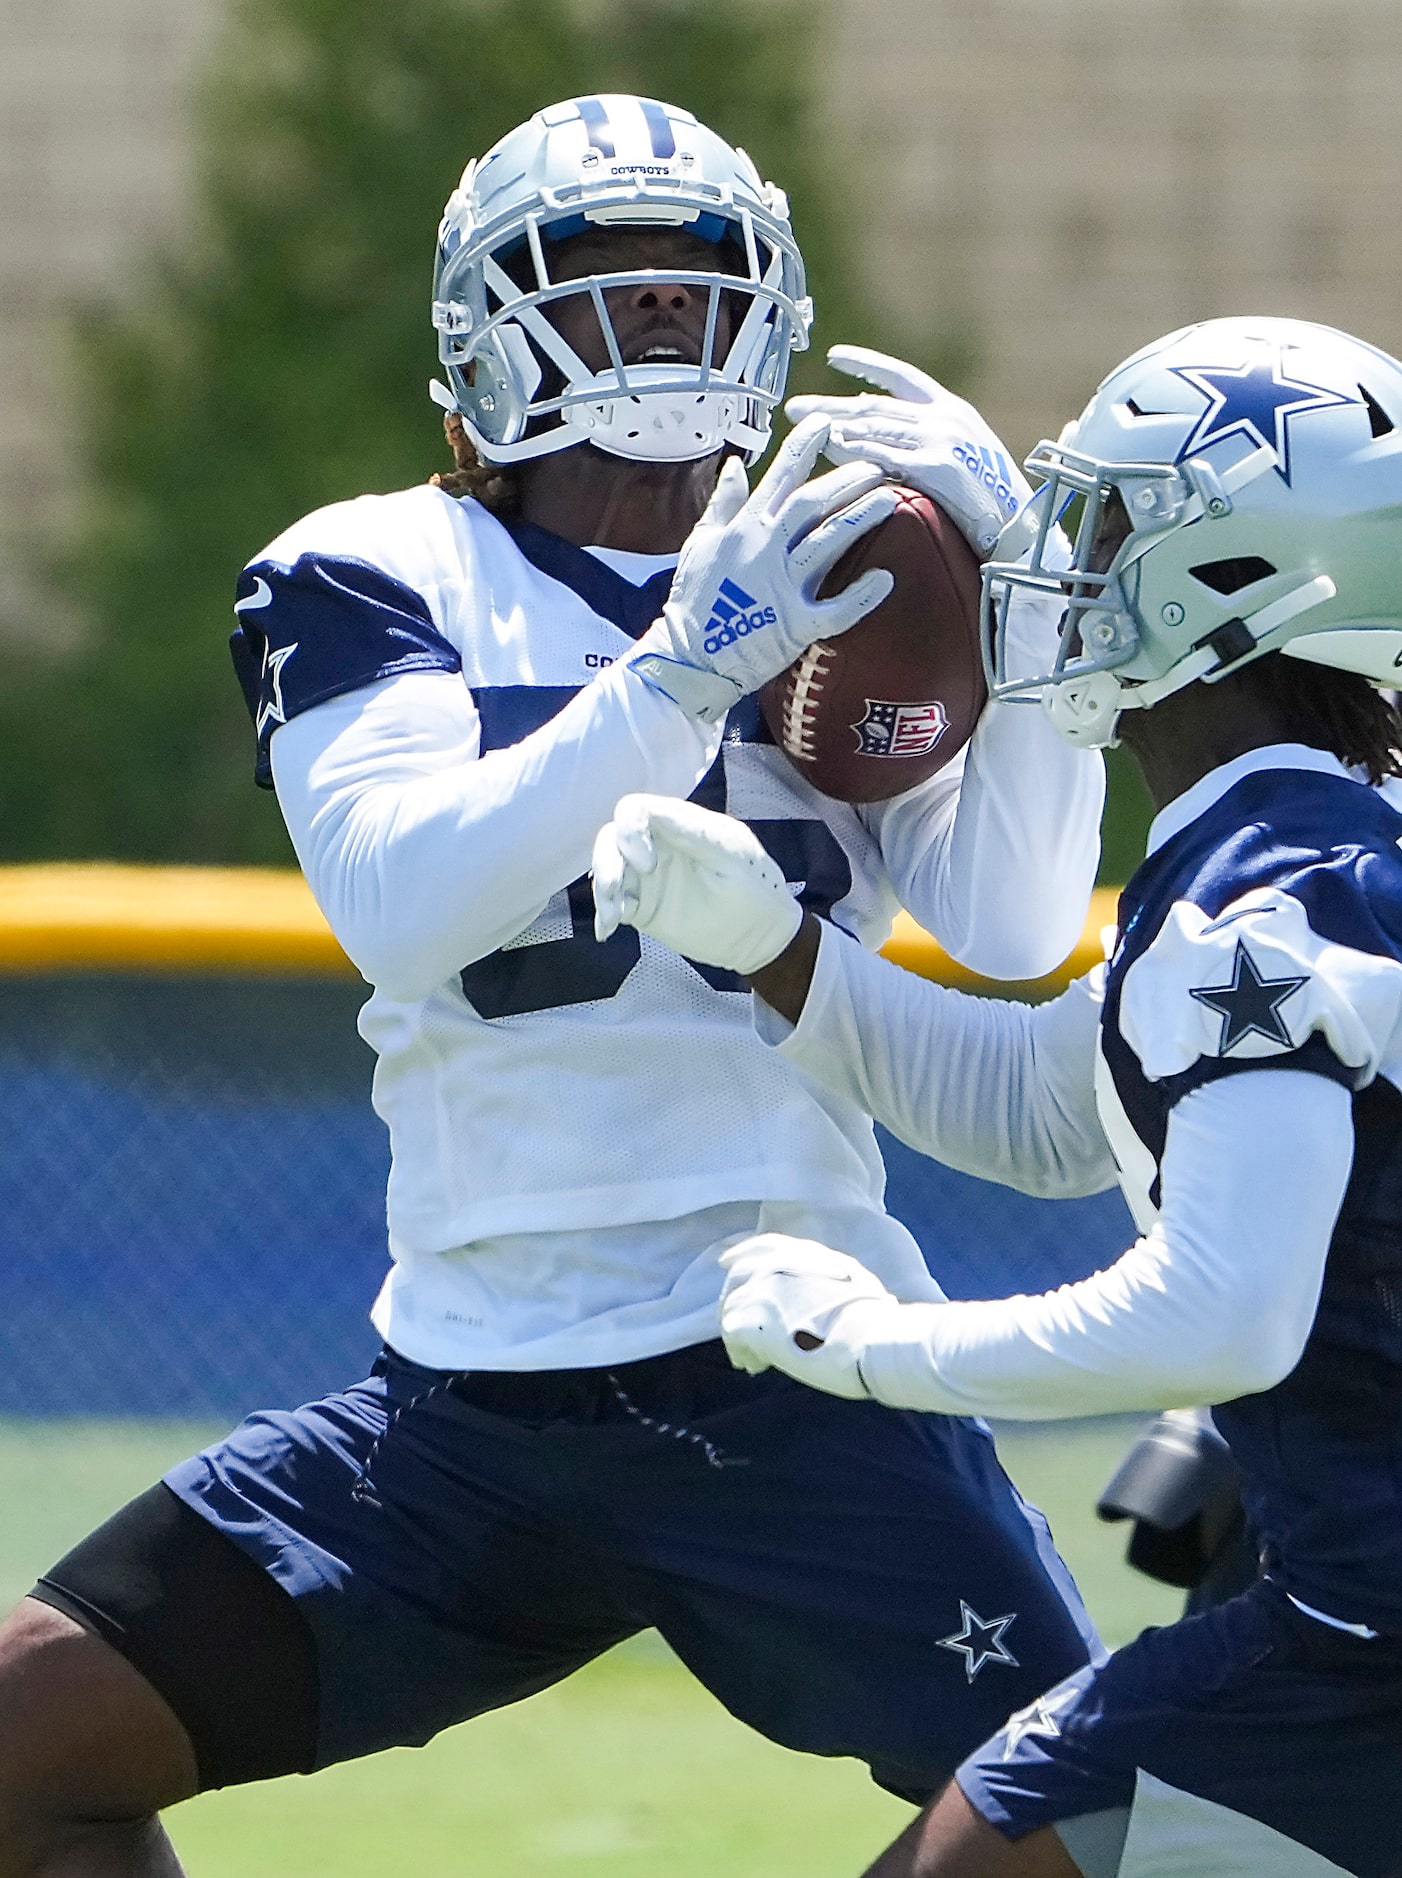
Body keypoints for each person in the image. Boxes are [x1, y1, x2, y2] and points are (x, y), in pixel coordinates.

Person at [0, 96, 1105, 1876]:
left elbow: (1010, 922)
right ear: (483, 329)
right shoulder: (371, 565)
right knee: (24, 1746)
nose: (663, 319)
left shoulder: (851, 561)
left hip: (788, 1360)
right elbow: (402, 899)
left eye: (697, 287)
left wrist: (1032, 647)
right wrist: (685, 669)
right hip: (471, 1391)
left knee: (1095, 1820)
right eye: (609, 282)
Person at [593, 312, 1402, 1876]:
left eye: (1102, 522)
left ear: (1225, 588)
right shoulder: (1317, 841)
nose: (1052, 564)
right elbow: (1055, 1105)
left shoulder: (1264, 888)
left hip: (1362, 1643)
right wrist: (773, 944)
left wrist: (874, 1345)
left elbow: (1218, 1316)